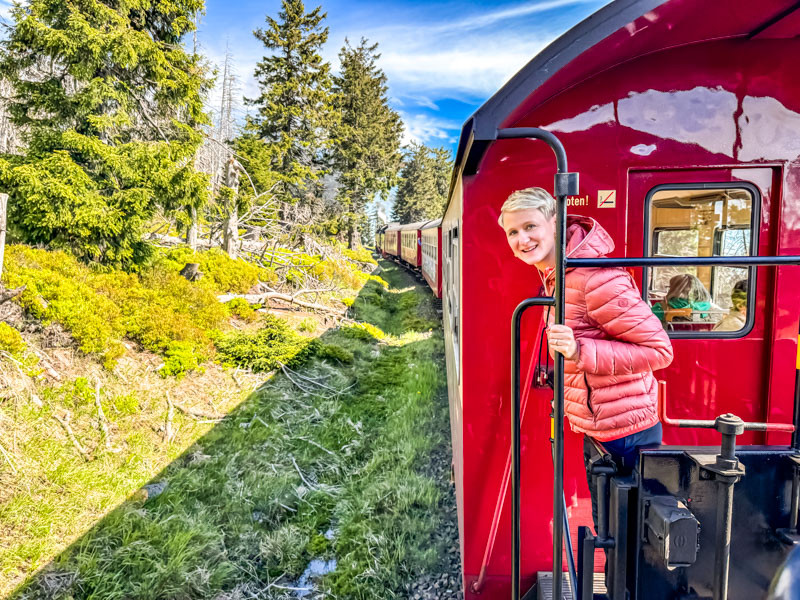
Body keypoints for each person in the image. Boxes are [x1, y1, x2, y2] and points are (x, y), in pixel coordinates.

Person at [498, 186, 674, 535]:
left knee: (626, 544)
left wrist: (580, 352)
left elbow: (659, 351)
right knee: (611, 536)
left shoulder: (595, 277)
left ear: (555, 221)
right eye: (513, 232)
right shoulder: (561, 274)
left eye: (530, 226)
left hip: (626, 436)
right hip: (603, 429)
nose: (522, 239)